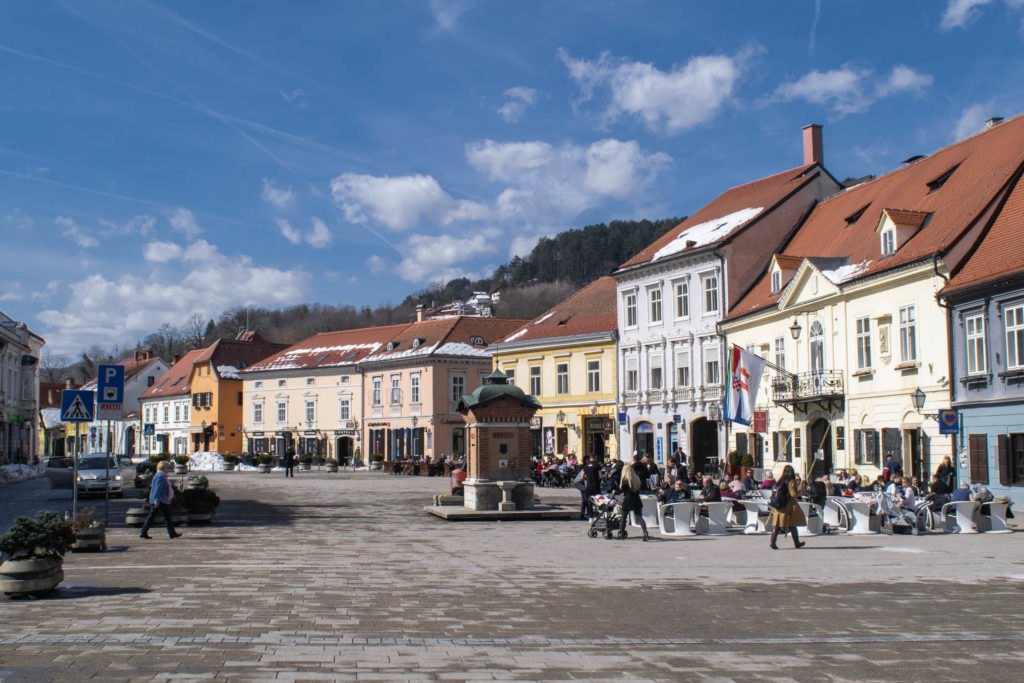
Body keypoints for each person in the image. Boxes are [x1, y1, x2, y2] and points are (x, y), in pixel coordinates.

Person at [139, 461, 182, 540]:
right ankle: (144, 532)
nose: (168, 469)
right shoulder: (160, 476)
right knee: (162, 517)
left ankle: (171, 533)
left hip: (160, 499)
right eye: (167, 468)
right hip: (160, 500)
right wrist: (156, 500)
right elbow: (157, 489)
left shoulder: (160, 475)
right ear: (163, 468)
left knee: (161, 516)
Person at [769, 464, 805, 550]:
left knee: (776, 525)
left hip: (778, 505)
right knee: (792, 523)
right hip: (787, 505)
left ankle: (773, 542)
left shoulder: (780, 480)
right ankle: (797, 543)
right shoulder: (791, 481)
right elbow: (793, 494)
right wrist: (800, 491)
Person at [615, 462, 649, 541]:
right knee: (639, 517)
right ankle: (645, 532)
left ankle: (621, 531)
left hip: (627, 499)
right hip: (636, 499)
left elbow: (621, 490)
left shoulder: (625, 480)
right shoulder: (636, 479)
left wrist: (615, 492)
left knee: (624, 516)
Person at [580, 454, 602, 519]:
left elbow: (581, 477)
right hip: (596, 485)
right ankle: (598, 513)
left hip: (589, 485)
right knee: (598, 498)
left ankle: (590, 515)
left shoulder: (586, 466)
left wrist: (587, 479)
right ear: (595, 458)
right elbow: (600, 476)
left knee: (590, 499)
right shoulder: (597, 465)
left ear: (590, 459)